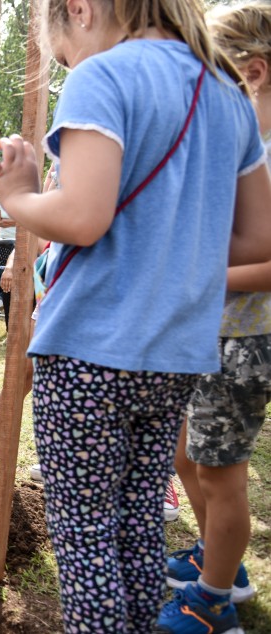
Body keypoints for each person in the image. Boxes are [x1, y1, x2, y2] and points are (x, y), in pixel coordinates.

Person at [0, 0, 271, 630]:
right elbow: (258, 239)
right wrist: (170, 242)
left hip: (89, 353)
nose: (71, 67)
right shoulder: (226, 89)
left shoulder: (106, 74)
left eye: (64, 58)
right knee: (137, 528)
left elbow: (83, 217)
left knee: (86, 539)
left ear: (80, 10)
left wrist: (18, 195)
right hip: (176, 356)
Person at [161, 2, 271, 631]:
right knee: (188, 458)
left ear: (253, 72)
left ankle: (212, 605)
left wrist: (198, 278)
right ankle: (220, 560)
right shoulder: (244, 148)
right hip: (212, 332)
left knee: (221, 476)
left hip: (243, 338)